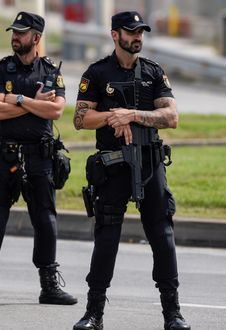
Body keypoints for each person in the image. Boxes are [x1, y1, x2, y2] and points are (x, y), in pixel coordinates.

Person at [72, 11, 190, 330]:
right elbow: (81, 119)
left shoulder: (153, 72)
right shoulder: (97, 73)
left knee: (162, 235)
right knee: (107, 237)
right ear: (115, 35)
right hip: (113, 165)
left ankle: (172, 313)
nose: (137, 36)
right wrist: (114, 116)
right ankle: (93, 312)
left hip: (149, 163)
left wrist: (133, 115)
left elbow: (172, 116)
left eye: (141, 32)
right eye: (131, 31)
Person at [0, 11, 77, 307]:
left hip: (40, 156)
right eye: (14, 32)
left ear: (37, 38)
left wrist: (15, 99)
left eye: (22, 32)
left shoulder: (51, 71)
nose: (15, 36)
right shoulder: (0, 70)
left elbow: (56, 111)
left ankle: (49, 285)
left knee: (46, 221)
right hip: (5, 156)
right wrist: (31, 103)